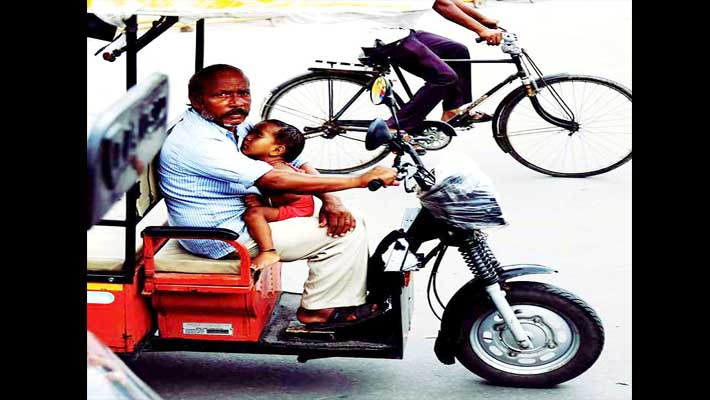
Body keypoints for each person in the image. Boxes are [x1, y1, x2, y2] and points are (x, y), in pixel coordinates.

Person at [158, 64, 398, 329]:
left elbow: (297, 160)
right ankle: (319, 312)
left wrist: (331, 200)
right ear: (197, 100)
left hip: (242, 218)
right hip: (221, 236)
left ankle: (337, 299)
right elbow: (275, 178)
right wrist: (357, 180)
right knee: (344, 232)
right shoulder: (199, 141)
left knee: (349, 217)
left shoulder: (232, 124)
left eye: (243, 93)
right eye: (223, 95)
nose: (237, 103)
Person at [361, 0, 503, 134]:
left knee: (457, 50)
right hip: (384, 36)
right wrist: (481, 30)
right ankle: (394, 128)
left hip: (401, 32)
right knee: (444, 77)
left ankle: (451, 110)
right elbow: (441, 4)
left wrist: (483, 20)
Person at [240, 119, 315, 270]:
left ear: (276, 151)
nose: (248, 137)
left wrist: (263, 203)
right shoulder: (267, 165)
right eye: (250, 133)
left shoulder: (279, 172)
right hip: (289, 205)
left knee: (253, 214)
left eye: (258, 135)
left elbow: (293, 196)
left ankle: (268, 251)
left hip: (297, 210)